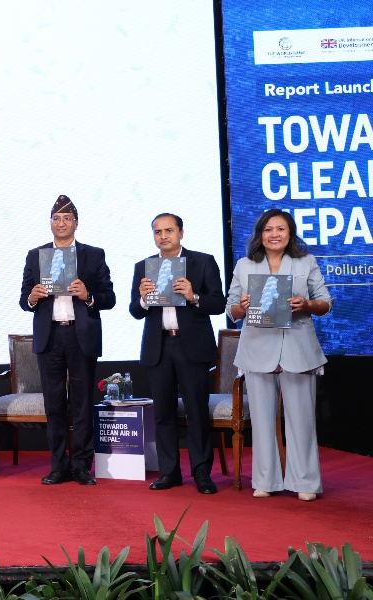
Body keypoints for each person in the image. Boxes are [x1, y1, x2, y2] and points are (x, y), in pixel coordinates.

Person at [226, 209, 332, 502]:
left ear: (290, 233)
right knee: (261, 421)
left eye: (281, 229)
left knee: (302, 420)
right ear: (260, 234)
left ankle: (305, 481)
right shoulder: (244, 265)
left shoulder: (306, 262)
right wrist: (243, 306)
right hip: (257, 349)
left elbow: (326, 303)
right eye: (268, 229)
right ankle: (266, 480)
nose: (274, 234)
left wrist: (306, 304)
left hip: (298, 348)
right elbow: (232, 309)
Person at [20, 195, 115, 486]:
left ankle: (82, 465)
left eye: (67, 218)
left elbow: (109, 298)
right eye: (56, 218)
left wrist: (88, 296)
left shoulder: (93, 255)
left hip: (80, 334)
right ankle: (59, 465)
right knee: (54, 405)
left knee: (82, 403)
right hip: (49, 336)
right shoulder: (35, 255)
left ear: (76, 223)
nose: (61, 223)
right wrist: (32, 297)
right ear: (50, 223)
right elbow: (24, 300)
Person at [129, 214, 225, 494]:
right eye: (157, 232)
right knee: (163, 414)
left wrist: (194, 296)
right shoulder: (143, 266)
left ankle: (201, 473)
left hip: (191, 346)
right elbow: (134, 311)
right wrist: (143, 299)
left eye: (169, 230)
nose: (163, 236)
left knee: (196, 412)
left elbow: (218, 304)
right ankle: (169, 472)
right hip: (159, 347)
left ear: (181, 233)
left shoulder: (203, 262)